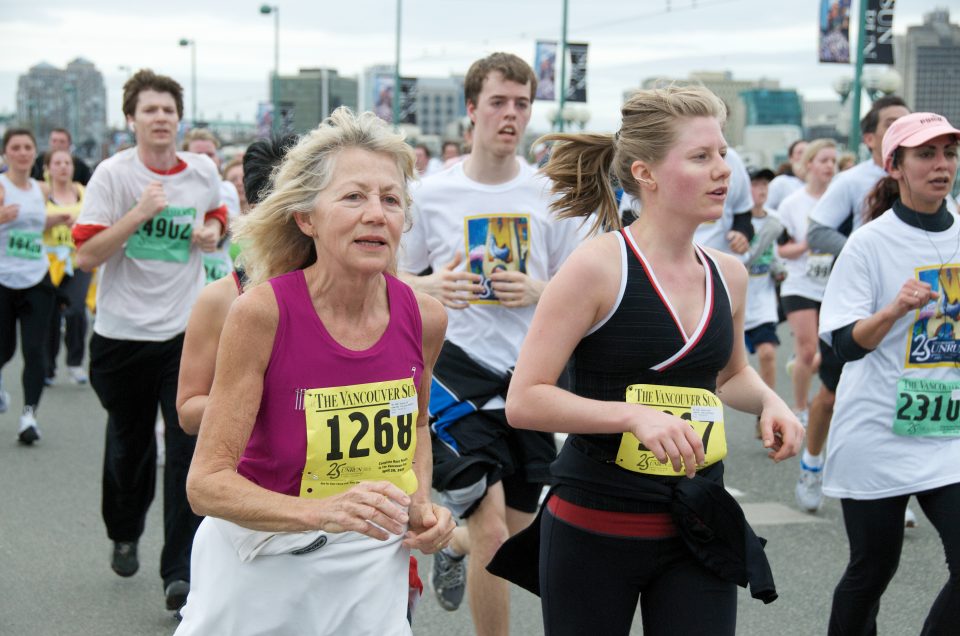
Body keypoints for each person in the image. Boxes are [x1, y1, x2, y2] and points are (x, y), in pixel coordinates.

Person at [502, 85, 803, 636]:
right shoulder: (596, 267)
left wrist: (768, 401)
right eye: (701, 156)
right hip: (596, 522)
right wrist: (630, 415)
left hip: (698, 520)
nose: (723, 170)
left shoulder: (728, 274)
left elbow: (730, 374)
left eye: (722, 153)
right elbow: (525, 400)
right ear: (647, 173)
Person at [176, 107, 454, 635]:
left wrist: (420, 505)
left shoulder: (426, 317)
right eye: (354, 196)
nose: (377, 213)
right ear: (306, 217)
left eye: (391, 199)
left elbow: (416, 425)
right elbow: (206, 485)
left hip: (372, 565)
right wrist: (326, 511)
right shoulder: (262, 313)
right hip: (261, 565)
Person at [399, 52, 583, 633]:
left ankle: (451, 545)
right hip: (456, 371)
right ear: (472, 109)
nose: (510, 115)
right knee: (495, 529)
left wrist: (537, 290)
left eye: (522, 104)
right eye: (498, 102)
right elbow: (387, 279)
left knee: (522, 528)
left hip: (528, 375)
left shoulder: (550, 194)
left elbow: (584, 289)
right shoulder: (430, 194)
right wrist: (433, 284)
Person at [71, 69, 227, 612]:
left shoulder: (203, 170)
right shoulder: (113, 176)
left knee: (186, 449)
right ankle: (124, 528)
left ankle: (180, 575)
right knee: (130, 445)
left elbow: (216, 216)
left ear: (178, 119)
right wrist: (139, 214)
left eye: (168, 110)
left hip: (184, 333)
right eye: (150, 110)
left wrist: (212, 230)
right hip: (120, 337)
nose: (160, 119)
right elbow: (86, 255)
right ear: (132, 119)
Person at [819, 111, 960, 635]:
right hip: (878, 428)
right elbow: (842, 347)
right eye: (926, 154)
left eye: (948, 153)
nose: (941, 165)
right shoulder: (869, 244)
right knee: (873, 570)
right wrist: (894, 310)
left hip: (947, 431)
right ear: (895, 165)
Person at [799, 95, 911, 516]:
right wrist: (862, 253)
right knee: (831, 393)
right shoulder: (851, 180)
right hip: (856, 305)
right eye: (891, 124)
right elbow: (817, 233)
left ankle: (897, 484)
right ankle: (811, 465)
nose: (902, 129)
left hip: (908, 309)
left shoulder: (919, 175)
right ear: (870, 138)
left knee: (901, 392)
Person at [176, 135, 293, 435]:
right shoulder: (220, 298)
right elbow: (189, 412)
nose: (299, 220)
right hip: (251, 472)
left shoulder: (346, 289)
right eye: (284, 207)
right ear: (253, 209)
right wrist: (262, 396)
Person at [776, 139, 837, 439]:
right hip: (799, 282)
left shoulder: (839, 200)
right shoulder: (792, 204)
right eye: (824, 160)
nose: (829, 166)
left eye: (833, 161)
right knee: (808, 348)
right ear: (809, 163)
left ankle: (802, 368)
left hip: (833, 285)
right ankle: (800, 407)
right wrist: (807, 245)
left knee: (831, 350)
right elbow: (781, 249)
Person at [0, 129, 56, 444]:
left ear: (35, 153)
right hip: (4, 278)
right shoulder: (2, 187)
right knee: (5, 349)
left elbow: (35, 222)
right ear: (6, 154)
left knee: (35, 351)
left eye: (28, 147)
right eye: (16, 147)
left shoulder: (42, 188)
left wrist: (58, 220)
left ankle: (28, 416)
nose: (22, 153)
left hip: (37, 277)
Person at [42, 149, 92, 385]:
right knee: (49, 314)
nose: (63, 167)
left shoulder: (84, 193)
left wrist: (79, 223)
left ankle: (74, 362)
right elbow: (27, 222)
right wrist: (54, 220)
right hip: (49, 263)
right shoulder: (42, 192)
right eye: (57, 162)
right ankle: (48, 366)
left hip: (78, 260)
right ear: (48, 168)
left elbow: (97, 220)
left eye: (67, 163)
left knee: (75, 310)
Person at [742, 168, 785, 406]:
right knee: (721, 368)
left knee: (768, 353)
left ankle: (767, 410)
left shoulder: (774, 220)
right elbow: (744, 257)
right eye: (756, 184)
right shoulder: (737, 221)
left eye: (765, 185)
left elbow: (774, 254)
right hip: (736, 303)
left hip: (763, 301)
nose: (762, 190)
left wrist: (779, 269)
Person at [182, 129, 242, 285]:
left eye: (210, 155)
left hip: (220, 274)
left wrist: (216, 225)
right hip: (188, 278)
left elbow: (231, 230)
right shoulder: (175, 192)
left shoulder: (228, 190)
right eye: (198, 155)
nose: (205, 160)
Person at [766, 139, 807, 212]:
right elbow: (765, 208)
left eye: (808, 152)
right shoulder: (781, 182)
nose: (804, 156)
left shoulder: (819, 183)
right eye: (800, 152)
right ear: (791, 158)